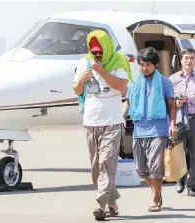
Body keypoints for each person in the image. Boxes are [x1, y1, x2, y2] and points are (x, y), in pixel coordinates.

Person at [73, 30, 132, 221]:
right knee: (96, 170)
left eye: (100, 52)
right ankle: (112, 203)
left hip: (111, 122)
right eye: (94, 52)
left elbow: (122, 87)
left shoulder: (118, 61)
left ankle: (100, 205)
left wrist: (102, 71)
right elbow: (76, 89)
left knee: (107, 162)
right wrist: (82, 78)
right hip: (90, 122)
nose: (97, 55)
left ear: (107, 49)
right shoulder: (84, 62)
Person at [122, 47, 177, 212]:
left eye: (147, 65)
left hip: (158, 130)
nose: (144, 68)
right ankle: (156, 190)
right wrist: (121, 117)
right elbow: (128, 103)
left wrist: (172, 124)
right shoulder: (134, 82)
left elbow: (172, 107)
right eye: (141, 64)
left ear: (156, 65)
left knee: (155, 167)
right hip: (139, 130)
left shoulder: (165, 83)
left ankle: (154, 199)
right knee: (140, 169)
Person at [169, 48, 195, 196]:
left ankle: (193, 186)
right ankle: (180, 180)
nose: (188, 61)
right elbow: (168, 99)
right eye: (185, 58)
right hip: (178, 120)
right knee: (179, 153)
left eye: (191, 58)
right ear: (181, 60)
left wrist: (188, 98)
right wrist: (176, 102)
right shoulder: (172, 79)